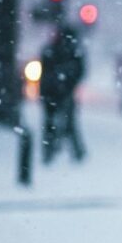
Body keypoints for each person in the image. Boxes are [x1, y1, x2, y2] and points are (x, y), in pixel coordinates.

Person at [40, 24, 86, 164]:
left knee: (54, 123)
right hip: (58, 92)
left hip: (54, 92)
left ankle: (50, 152)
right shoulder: (71, 52)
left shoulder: (52, 50)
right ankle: (74, 152)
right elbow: (79, 71)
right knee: (67, 123)